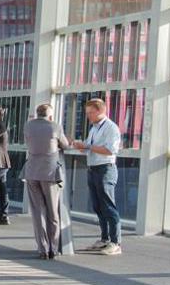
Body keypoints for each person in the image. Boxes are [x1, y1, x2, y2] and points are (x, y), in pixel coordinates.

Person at [72, 98, 123, 255]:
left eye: (91, 113)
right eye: (87, 113)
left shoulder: (111, 128)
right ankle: (104, 239)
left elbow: (110, 150)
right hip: (93, 169)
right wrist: (81, 146)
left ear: (101, 111)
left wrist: (87, 146)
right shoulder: (94, 128)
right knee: (98, 206)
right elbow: (90, 148)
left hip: (105, 169)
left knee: (108, 206)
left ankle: (115, 242)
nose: (88, 116)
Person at [23, 104, 71, 259]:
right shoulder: (55, 126)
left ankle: (42, 249)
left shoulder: (28, 126)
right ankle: (53, 248)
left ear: (37, 114)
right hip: (50, 173)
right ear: (50, 116)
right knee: (52, 212)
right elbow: (65, 145)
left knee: (38, 212)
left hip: (31, 172)